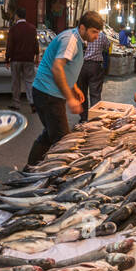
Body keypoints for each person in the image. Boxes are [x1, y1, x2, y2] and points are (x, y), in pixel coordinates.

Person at [26, 11, 104, 166]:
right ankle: (55, 175)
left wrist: (73, 87)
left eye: (98, 32)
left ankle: (31, 168)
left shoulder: (77, 39)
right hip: (48, 94)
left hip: (47, 92)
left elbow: (67, 67)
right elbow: (57, 68)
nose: (96, 36)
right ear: (82, 28)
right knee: (63, 140)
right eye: (94, 32)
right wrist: (70, 98)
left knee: (50, 134)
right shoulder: (71, 40)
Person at [5, 7, 38, 112]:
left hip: (16, 59)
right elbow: (35, 43)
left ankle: (16, 104)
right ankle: (33, 103)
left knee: (16, 82)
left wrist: (7, 59)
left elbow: (9, 45)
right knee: (30, 81)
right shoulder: (32, 28)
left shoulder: (13, 29)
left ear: (16, 16)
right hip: (28, 59)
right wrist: (37, 55)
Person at [75, 24, 110, 121]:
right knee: (95, 94)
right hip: (95, 66)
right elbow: (107, 47)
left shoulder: (81, 36)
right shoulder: (101, 35)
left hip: (81, 65)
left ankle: (83, 118)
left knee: (82, 93)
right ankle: (94, 119)